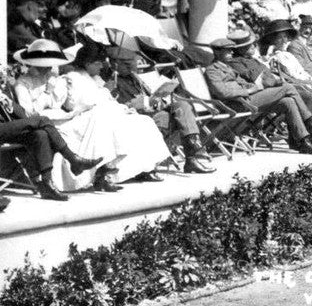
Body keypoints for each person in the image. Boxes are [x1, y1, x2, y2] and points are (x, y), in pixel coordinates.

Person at [17, 41, 171, 192]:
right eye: (44, 65)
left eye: (50, 64)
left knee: (131, 119)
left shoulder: (55, 78)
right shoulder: (23, 83)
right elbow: (31, 113)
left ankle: (125, 170)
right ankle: (102, 173)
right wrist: (47, 92)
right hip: (52, 122)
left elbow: (67, 101)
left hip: (71, 117)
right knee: (100, 117)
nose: (49, 68)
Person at [1, 57, 103, 200]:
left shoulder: (3, 93)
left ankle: (47, 184)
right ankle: (73, 159)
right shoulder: (21, 83)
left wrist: (7, 103)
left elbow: (23, 115)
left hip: (7, 128)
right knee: (43, 120)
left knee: (40, 134)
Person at [204, 38, 312, 155]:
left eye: (231, 50)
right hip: (235, 104)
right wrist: (250, 90)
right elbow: (222, 93)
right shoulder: (212, 70)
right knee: (288, 88)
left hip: (246, 99)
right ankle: (309, 122)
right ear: (217, 52)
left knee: (288, 101)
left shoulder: (227, 67)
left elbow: (243, 82)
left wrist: (253, 86)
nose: (231, 52)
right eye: (227, 50)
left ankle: (302, 141)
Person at [111, 52, 215, 174]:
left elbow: (150, 95)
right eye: (126, 64)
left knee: (182, 105)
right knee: (173, 116)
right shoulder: (113, 82)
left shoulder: (134, 77)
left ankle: (192, 150)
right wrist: (147, 102)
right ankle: (192, 154)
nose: (130, 67)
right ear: (115, 64)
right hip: (137, 118)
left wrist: (159, 100)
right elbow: (121, 106)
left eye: (131, 64)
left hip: (153, 111)